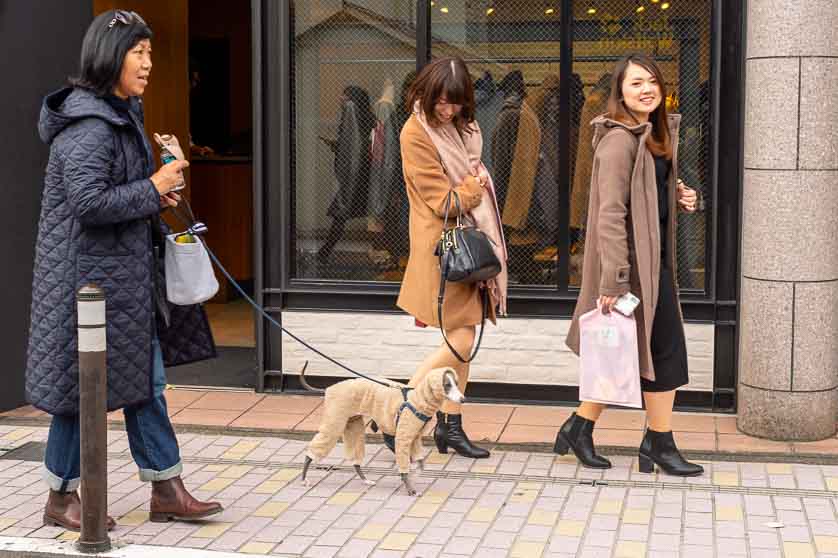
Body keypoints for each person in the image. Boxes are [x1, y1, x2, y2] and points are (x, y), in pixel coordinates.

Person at [26, 10, 222, 531]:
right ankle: (60, 497)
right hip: (87, 286)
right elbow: (88, 202)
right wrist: (153, 187)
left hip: (118, 282)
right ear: (110, 55)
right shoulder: (89, 124)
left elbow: (118, 198)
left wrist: (159, 192)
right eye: (139, 53)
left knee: (144, 382)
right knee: (78, 392)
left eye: (150, 53)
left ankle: (166, 488)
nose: (148, 64)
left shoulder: (119, 112)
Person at [558, 54, 703, 476]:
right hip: (634, 270)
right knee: (662, 351)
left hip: (654, 265)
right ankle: (656, 443)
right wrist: (616, 279)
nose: (646, 89)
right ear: (619, 92)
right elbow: (609, 214)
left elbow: (647, 192)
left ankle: (582, 427)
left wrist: (677, 194)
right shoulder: (619, 141)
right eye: (636, 83)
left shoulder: (653, 136)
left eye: (652, 81)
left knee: (639, 352)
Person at [395, 57, 507, 459]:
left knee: (467, 334)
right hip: (445, 248)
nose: (447, 110)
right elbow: (444, 200)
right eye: (441, 102)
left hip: (468, 245)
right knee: (461, 338)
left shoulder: (465, 129)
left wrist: (472, 185)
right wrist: (475, 187)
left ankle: (450, 426)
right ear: (425, 94)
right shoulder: (415, 132)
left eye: (455, 103)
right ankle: (399, 407)